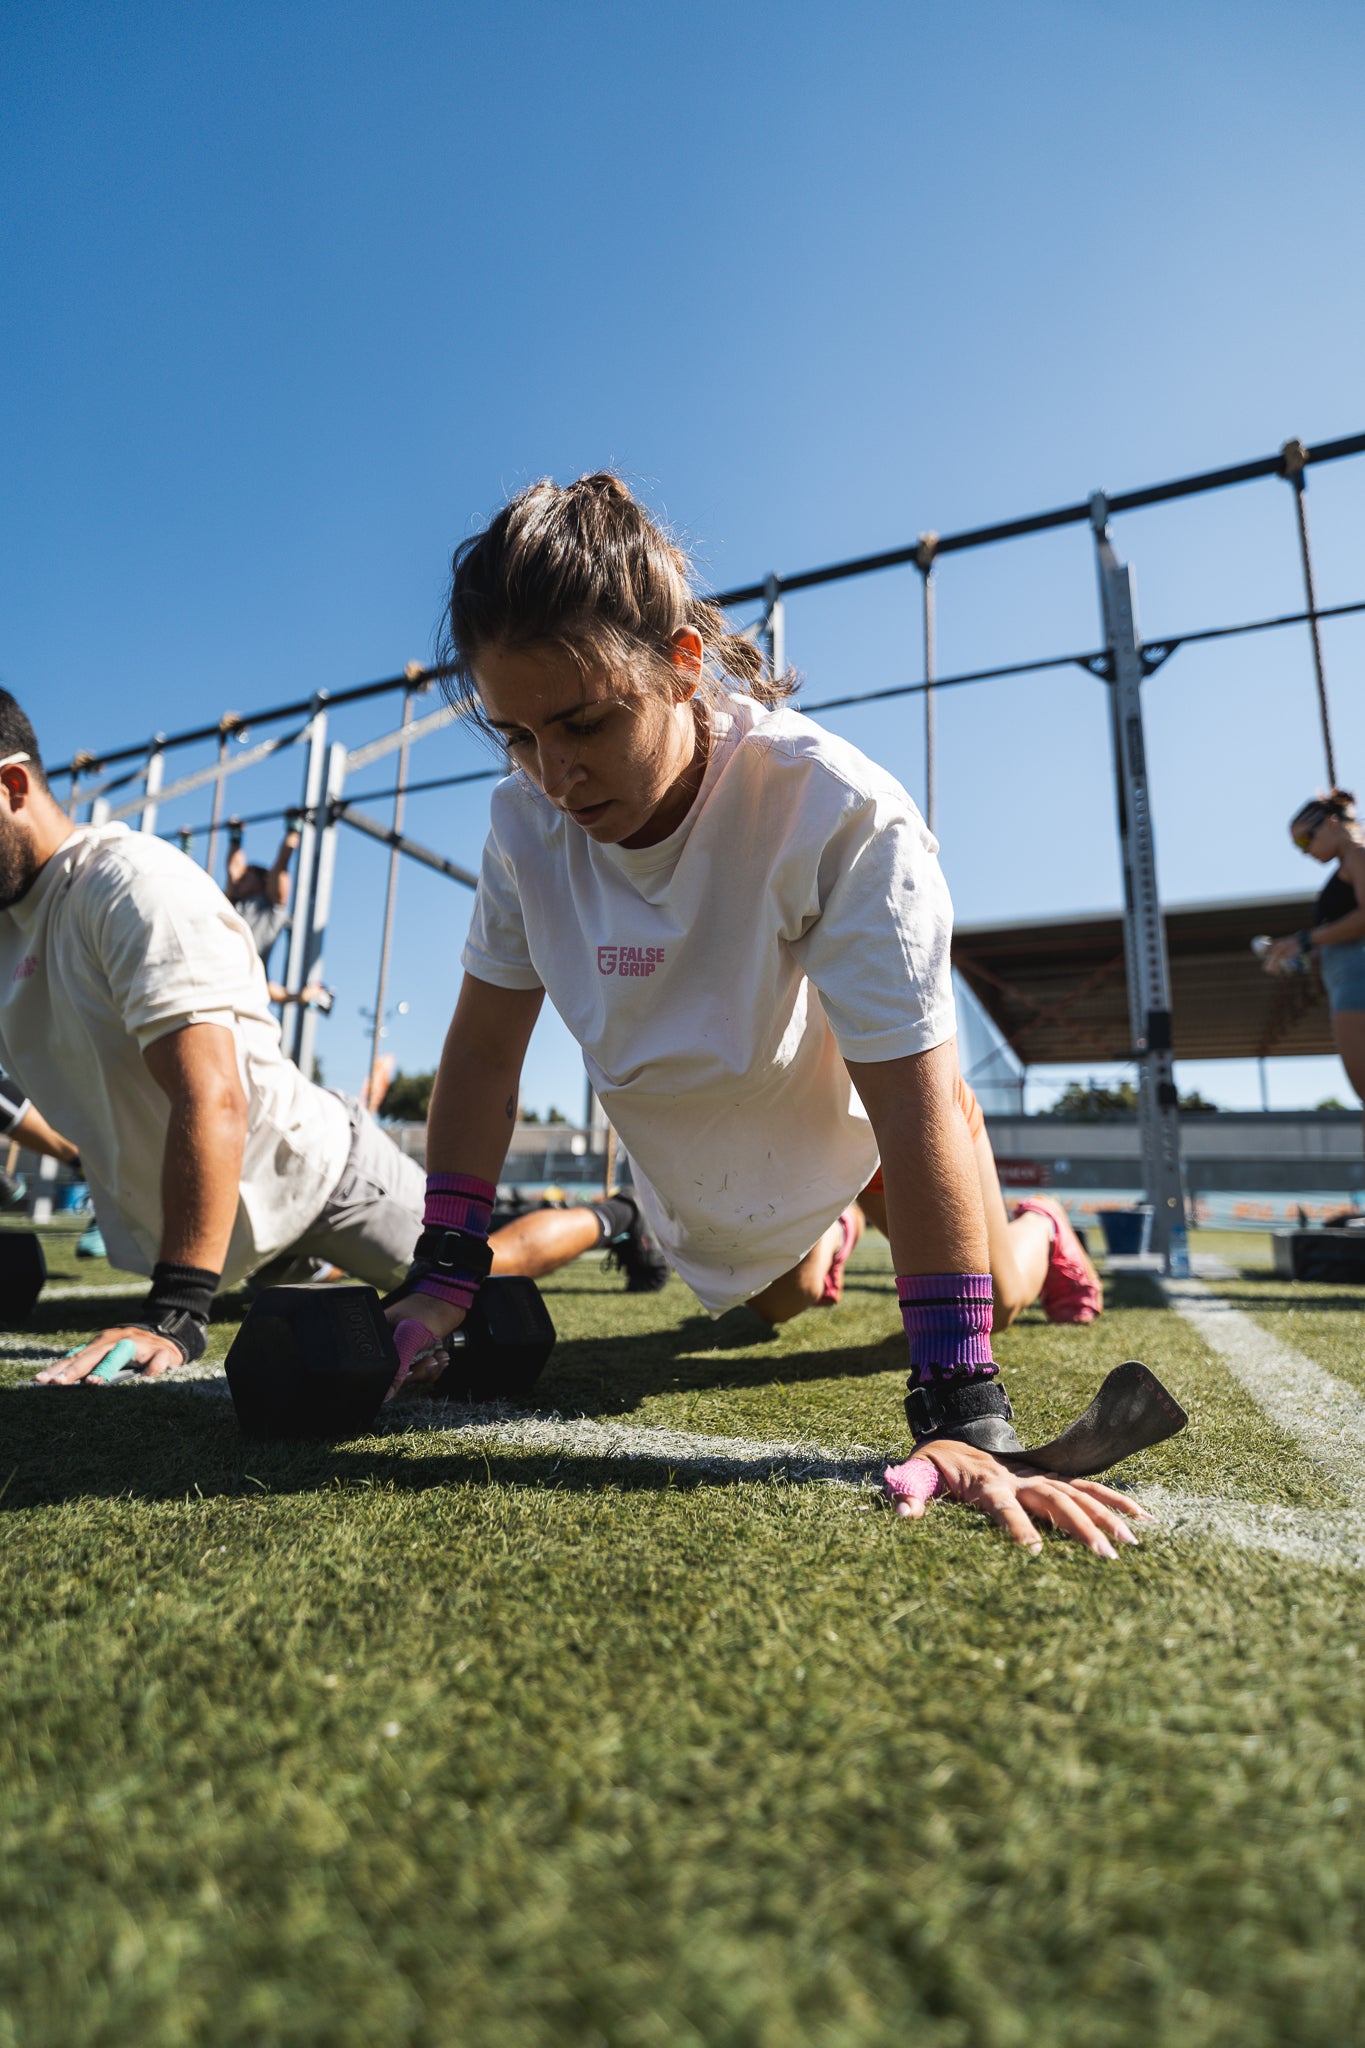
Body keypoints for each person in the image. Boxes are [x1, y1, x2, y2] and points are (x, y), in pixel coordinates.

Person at [382, 473, 1142, 1557]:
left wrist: (962, 1407)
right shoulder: (523, 828)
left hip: (881, 1120)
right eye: (516, 736)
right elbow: (484, 1054)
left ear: (682, 664)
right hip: (734, 1144)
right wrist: (443, 1273)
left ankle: (1039, 1228)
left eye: (585, 722)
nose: (555, 776)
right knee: (774, 1306)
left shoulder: (837, 811)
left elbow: (912, 1101)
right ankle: (828, 1230)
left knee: (1002, 1295)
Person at [0, 693, 475, 1379]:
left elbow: (212, 1092)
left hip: (318, 1179)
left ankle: (616, 1218)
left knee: (483, 1286)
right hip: (233, 1237)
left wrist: (176, 1312)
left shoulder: (129, 885)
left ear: (13, 786)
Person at [1264, 789, 1365, 1169]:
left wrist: (1304, 941)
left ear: (1332, 823)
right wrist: (1298, 954)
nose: (1304, 851)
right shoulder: (1348, 863)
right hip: (1347, 981)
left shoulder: (1357, 855)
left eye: (1305, 840)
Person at [224, 816, 330, 1012]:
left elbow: (281, 865)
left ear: (261, 881)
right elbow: (233, 871)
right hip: (224, 965)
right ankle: (236, 836)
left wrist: (292, 831)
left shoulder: (271, 905)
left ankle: (290, 828)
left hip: (242, 968)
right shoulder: (234, 902)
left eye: (247, 877)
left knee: (278, 870)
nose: (240, 880)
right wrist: (235, 840)